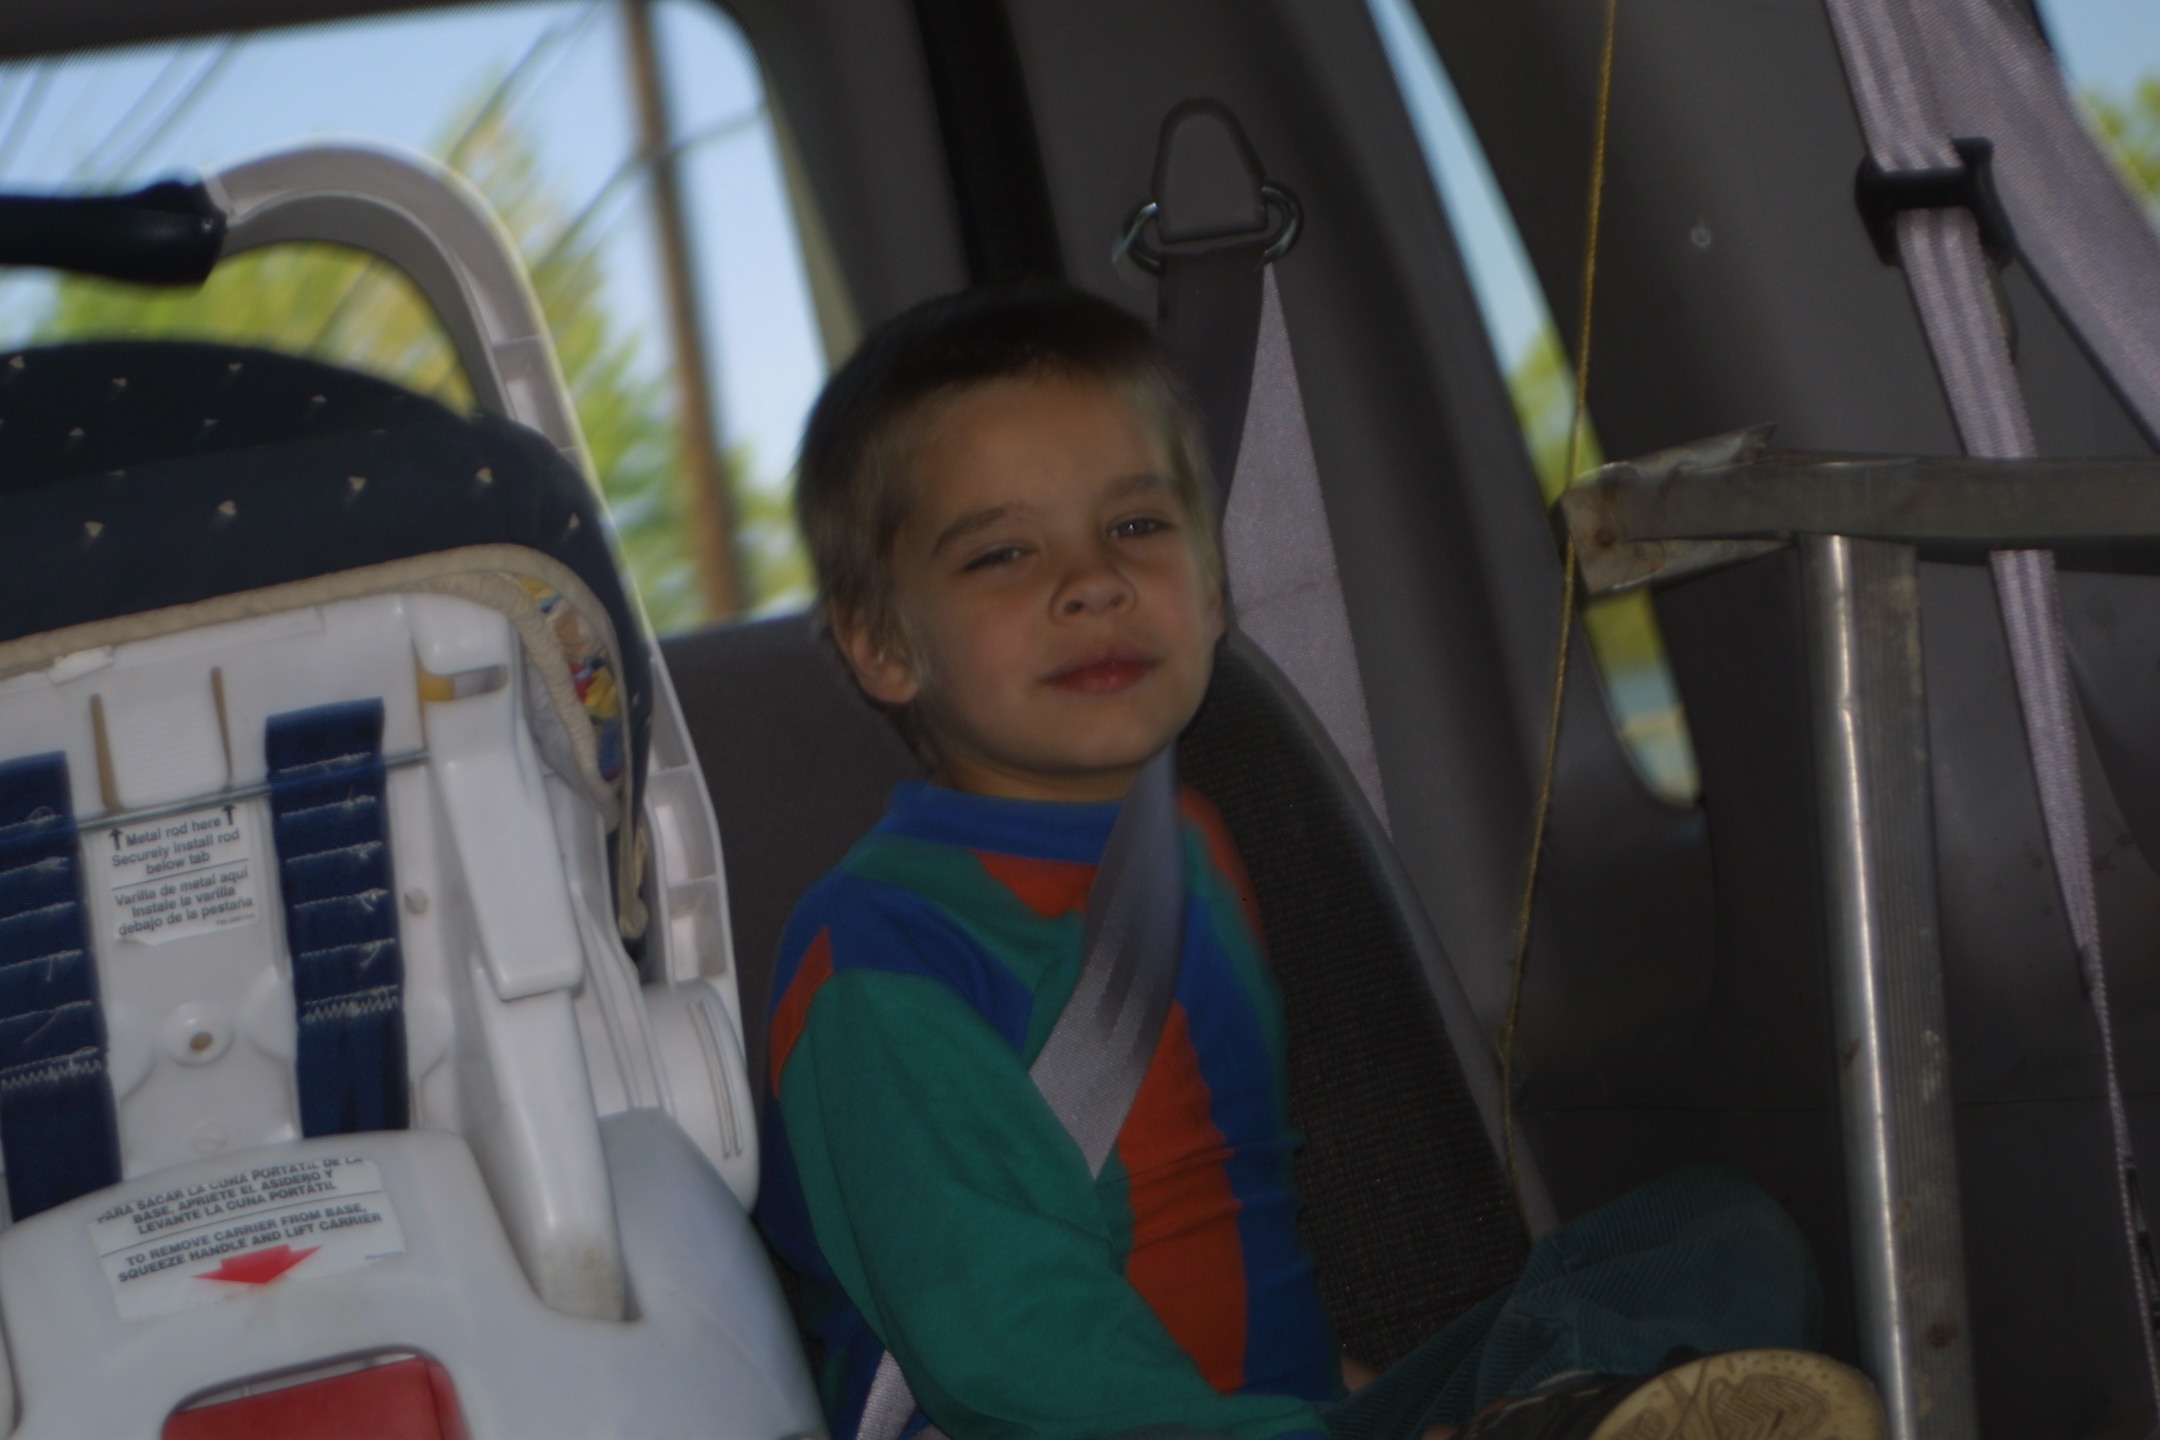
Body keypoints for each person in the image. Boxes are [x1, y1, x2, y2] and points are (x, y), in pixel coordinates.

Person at [754, 283, 1880, 1440]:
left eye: (1137, 528)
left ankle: (1557, 1412)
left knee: (1715, 1233)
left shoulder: (1194, 846)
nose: (1092, 581)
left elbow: (1237, 1230)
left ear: (1213, 589)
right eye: (1001, 553)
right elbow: (1015, 1353)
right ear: (883, 644)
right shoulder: (882, 955)